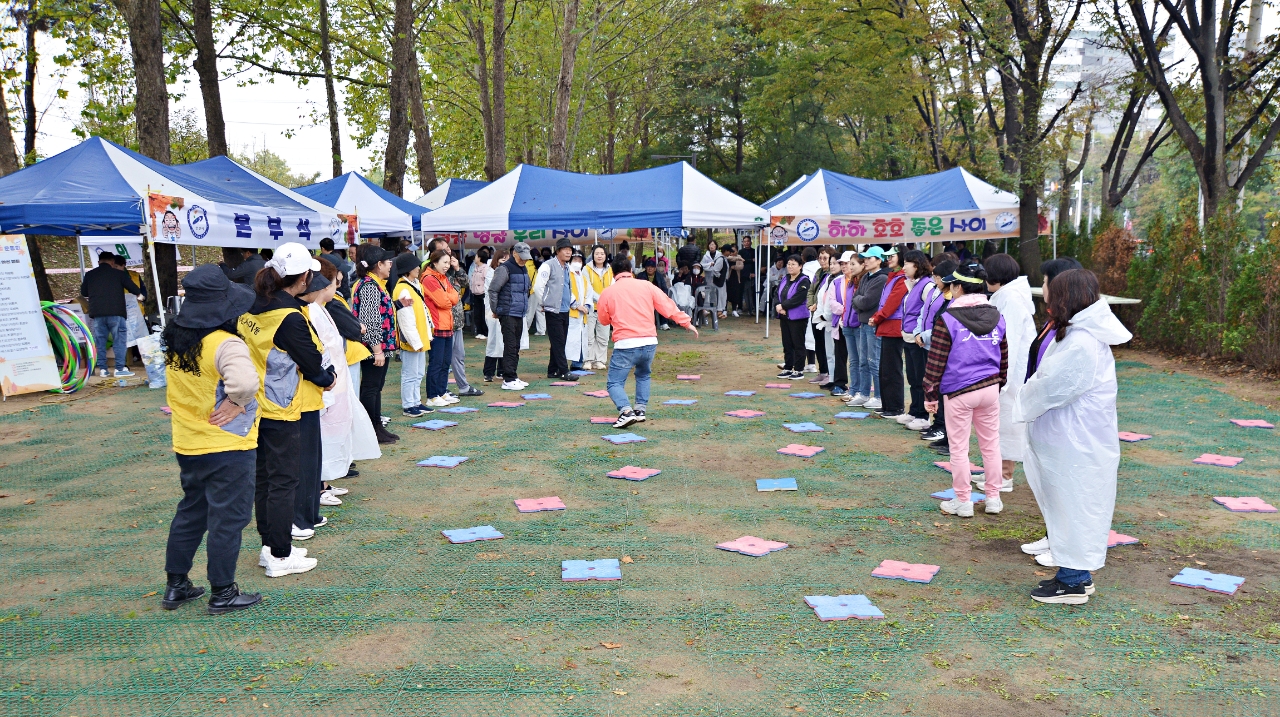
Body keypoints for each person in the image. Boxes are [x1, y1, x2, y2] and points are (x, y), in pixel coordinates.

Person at [1016, 269, 1132, 604]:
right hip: (1070, 440)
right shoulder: (1077, 332)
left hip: (1076, 443)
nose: (1044, 292)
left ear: (1064, 296)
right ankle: (1074, 576)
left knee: (1074, 508)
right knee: (1068, 506)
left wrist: (1023, 397)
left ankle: (1073, 582)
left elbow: (1054, 385)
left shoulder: (1082, 340)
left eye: (1048, 287)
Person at [159, 265, 262, 614]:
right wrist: (236, 402)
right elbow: (246, 383)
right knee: (228, 518)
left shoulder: (175, 336)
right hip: (227, 446)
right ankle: (223, 590)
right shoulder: (225, 343)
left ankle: (177, 585)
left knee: (192, 511)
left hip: (189, 442)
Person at [239, 243, 333, 576]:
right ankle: (280, 554)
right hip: (280, 407)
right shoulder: (289, 317)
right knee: (282, 482)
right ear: (304, 277)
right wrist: (328, 377)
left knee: (266, 481)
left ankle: (271, 546)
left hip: (255, 405)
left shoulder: (254, 306)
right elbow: (313, 363)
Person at [922, 260, 1007, 518]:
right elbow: (1004, 355)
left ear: (958, 287)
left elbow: (936, 360)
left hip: (959, 390)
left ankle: (963, 501)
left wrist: (930, 394)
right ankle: (993, 498)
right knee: (991, 445)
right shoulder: (997, 315)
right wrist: (999, 383)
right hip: (990, 387)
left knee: (959, 448)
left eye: (952, 286)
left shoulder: (948, 319)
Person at [596, 255, 697, 427]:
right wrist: (686, 322)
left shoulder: (608, 292)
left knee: (614, 382)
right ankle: (640, 410)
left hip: (626, 343)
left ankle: (626, 411)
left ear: (613, 274)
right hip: (649, 341)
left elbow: (603, 320)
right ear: (631, 271)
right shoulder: (646, 285)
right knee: (643, 375)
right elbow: (666, 304)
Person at [306, 259, 379, 493]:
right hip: (328, 381)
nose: (336, 287)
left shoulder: (323, 309)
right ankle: (319, 485)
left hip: (337, 379)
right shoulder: (313, 312)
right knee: (324, 433)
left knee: (335, 431)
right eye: (333, 283)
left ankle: (326, 481)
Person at [983, 253, 1035, 494]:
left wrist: (1002, 379)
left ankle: (1004, 475)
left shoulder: (1011, 299)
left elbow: (1010, 340)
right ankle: (995, 471)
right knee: (996, 422)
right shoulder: (1006, 296)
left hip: (1011, 372)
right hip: (1003, 369)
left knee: (1006, 422)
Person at [351, 244, 400, 444]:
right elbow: (370, 320)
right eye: (388, 262)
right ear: (378, 265)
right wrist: (377, 350)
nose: (390, 265)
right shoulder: (370, 286)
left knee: (376, 386)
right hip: (374, 347)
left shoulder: (374, 283)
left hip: (380, 345)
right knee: (371, 387)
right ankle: (371, 428)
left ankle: (377, 426)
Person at [917, 259, 957, 452]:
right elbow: (926, 314)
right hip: (934, 346)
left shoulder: (953, 300)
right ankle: (941, 429)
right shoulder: (941, 294)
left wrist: (927, 335)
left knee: (947, 395)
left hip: (948, 352)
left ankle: (945, 431)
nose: (935, 280)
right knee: (939, 392)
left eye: (937, 277)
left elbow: (946, 326)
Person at [81, 252, 142, 377]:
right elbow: (134, 289)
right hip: (116, 313)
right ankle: (119, 369)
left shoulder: (90, 274)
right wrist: (141, 296)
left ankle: (103, 369)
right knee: (119, 341)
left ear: (99, 262)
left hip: (97, 314)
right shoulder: (119, 274)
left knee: (100, 341)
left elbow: (84, 292)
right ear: (113, 263)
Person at [1027, 257, 1085, 378]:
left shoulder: (1076, 329)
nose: (1042, 286)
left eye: (1044, 281)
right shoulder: (1054, 321)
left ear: (1057, 286)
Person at [488, 242, 534, 390]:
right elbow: (493, 290)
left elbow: (526, 290)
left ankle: (513, 376)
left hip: (519, 312)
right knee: (510, 345)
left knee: (516, 346)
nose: (524, 260)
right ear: (514, 253)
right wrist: (496, 310)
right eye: (522, 257)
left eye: (526, 257)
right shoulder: (504, 268)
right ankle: (508, 379)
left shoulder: (524, 268)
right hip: (507, 312)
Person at [870, 246, 909, 419]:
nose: (888, 258)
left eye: (891, 256)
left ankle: (895, 407)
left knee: (892, 368)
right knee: (885, 368)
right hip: (886, 325)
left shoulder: (901, 278)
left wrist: (877, 317)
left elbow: (892, 302)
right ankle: (888, 405)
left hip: (894, 327)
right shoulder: (893, 276)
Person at [897, 250, 934, 431]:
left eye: (907, 264)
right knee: (912, 377)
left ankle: (923, 415)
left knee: (920, 378)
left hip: (919, 339)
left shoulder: (927, 285)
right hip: (908, 337)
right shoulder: (913, 284)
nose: (903, 268)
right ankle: (914, 410)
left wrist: (923, 334)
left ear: (917, 265)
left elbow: (929, 313)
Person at [392, 252, 432, 417]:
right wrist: (415, 341)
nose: (419, 269)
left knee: (418, 373)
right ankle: (409, 405)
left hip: (419, 337)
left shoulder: (414, 285)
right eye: (415, 266)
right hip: (412, 340)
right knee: (410, 373)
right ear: (407, 269)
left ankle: (416, 402)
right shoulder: (403, 289)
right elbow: (406, 319)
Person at [421, 249, 462, 407]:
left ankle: (442, 391)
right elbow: (444, 302)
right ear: (435, 262)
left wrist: (449, 298)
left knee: (445, 362)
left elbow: (455, 297)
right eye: (444, 262)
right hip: (436, 326)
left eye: (448, 262)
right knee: (436, 362)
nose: (447, 265)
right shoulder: (429, 279)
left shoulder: (443, 278)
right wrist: (449, 298)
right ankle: (432, 395)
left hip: (447, 325)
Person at [850, 246, 888, 409]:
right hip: (864, 322)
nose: (865, 261)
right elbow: (856, 298)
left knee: (874, 361)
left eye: (869, 258)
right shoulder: (865, 277)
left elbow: (866, 301)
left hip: (873, 324)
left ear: (879, 260)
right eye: (864, 258)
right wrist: (860, 302)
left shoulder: (881, 279)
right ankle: (864, 393)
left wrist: (859, 302)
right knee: (863, 361)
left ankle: (879, 396)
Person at [534, 237, 575, 380]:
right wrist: (543, 303)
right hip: (552, 310)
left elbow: (568, 288)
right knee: (558, 341)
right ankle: (564, 370)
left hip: (564, 309)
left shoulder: (567, 267)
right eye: (565, 250)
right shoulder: (548, 265)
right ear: (558, 251)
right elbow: (538, 286)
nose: (568, 253)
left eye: (570, 250)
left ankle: (552, 370)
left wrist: (573, 303)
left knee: (559, 341)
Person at [826, 251, 862, 397]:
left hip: (857, 322)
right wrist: (845, 310)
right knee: (840, 354)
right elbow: (832, 302)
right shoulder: (836, 281)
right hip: (841, 322)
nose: (844, 266)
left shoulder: (860, 280)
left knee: (858, 356)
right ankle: (840, 383)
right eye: (842, 263)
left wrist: (849, 310)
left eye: (847, 263)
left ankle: (859, 386)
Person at [774, 255, 811, 379]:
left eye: (793, 264)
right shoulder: (785, 278)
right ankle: (788, 367)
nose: (790, 266)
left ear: (800, 266)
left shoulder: (804, 280)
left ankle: (799, 369)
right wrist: (778, 305)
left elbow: (798, 298)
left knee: (798, 343)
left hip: (798, 317)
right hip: (784, 316)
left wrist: (783, 306)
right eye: (789, 264)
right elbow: (777, 293)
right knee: (787, 343)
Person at [806, 247, 837, 385]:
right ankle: (822, 371)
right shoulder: (818, 272)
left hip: (824, 313)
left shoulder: (832, 275)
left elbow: (826, 294)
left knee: (827, 345)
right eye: (820, 258)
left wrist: (817, 305)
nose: (822, 261)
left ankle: (829, 373)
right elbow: (811, 291)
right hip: (815, 312)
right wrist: (811, 304)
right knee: (818, 343)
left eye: (825, 258)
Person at [584, 245, 614, 370]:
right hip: (591, 307)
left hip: (605, 309)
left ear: (605, 255)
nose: (600, 256)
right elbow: (587, 288)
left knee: (603, 336)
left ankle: (600, 360)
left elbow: (613, 286)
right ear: (593, 255)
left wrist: (606, 301)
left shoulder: (610, 270)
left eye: (602, 253)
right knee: (589, 336)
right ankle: (588, 360)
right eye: (597, 253)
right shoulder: (586, 269)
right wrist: (601, 299)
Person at [482, 248, 510, 382]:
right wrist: (495, 310)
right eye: (502, 259)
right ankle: (488, 372)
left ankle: (501, 371)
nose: (504, 261)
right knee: (493, 341)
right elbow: (491, 292)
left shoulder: (508, 272)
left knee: (504, 341)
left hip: (504, 310)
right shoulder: (491, 273)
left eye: (507, 259)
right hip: (492, 311)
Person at [565, 251, 590, 370]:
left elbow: (588, 294)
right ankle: (567, 364)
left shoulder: (583, 278)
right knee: (570, 340)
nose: (577, 263)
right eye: (575, 260)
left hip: (582, 315)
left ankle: (578, 363)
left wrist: (587, 306)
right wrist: (576, 305)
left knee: (581, 340)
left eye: (579, 261)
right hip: (571, 313)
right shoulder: (566, 274)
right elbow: (566, 291)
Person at [469, 246, 493, 338]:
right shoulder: (475, 268)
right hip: (475, 294)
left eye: (476, 256)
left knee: (484, 313)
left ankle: (485, 332)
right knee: (477, 314)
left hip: (483, 294)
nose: (475, 258)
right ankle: (479, 331)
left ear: (480, 258)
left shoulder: (486, 268)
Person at [700, 239, 728, 320]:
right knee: (711, 293)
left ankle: (720, 310)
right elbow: (702, 265)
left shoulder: (719, 255)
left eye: (713, 244)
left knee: (720, 294)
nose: (711, 246)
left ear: (716, 246)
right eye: (710, 245)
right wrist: (710, 264)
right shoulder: (706, 256)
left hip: (718, 278)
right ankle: (712, 309)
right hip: (709, 277)